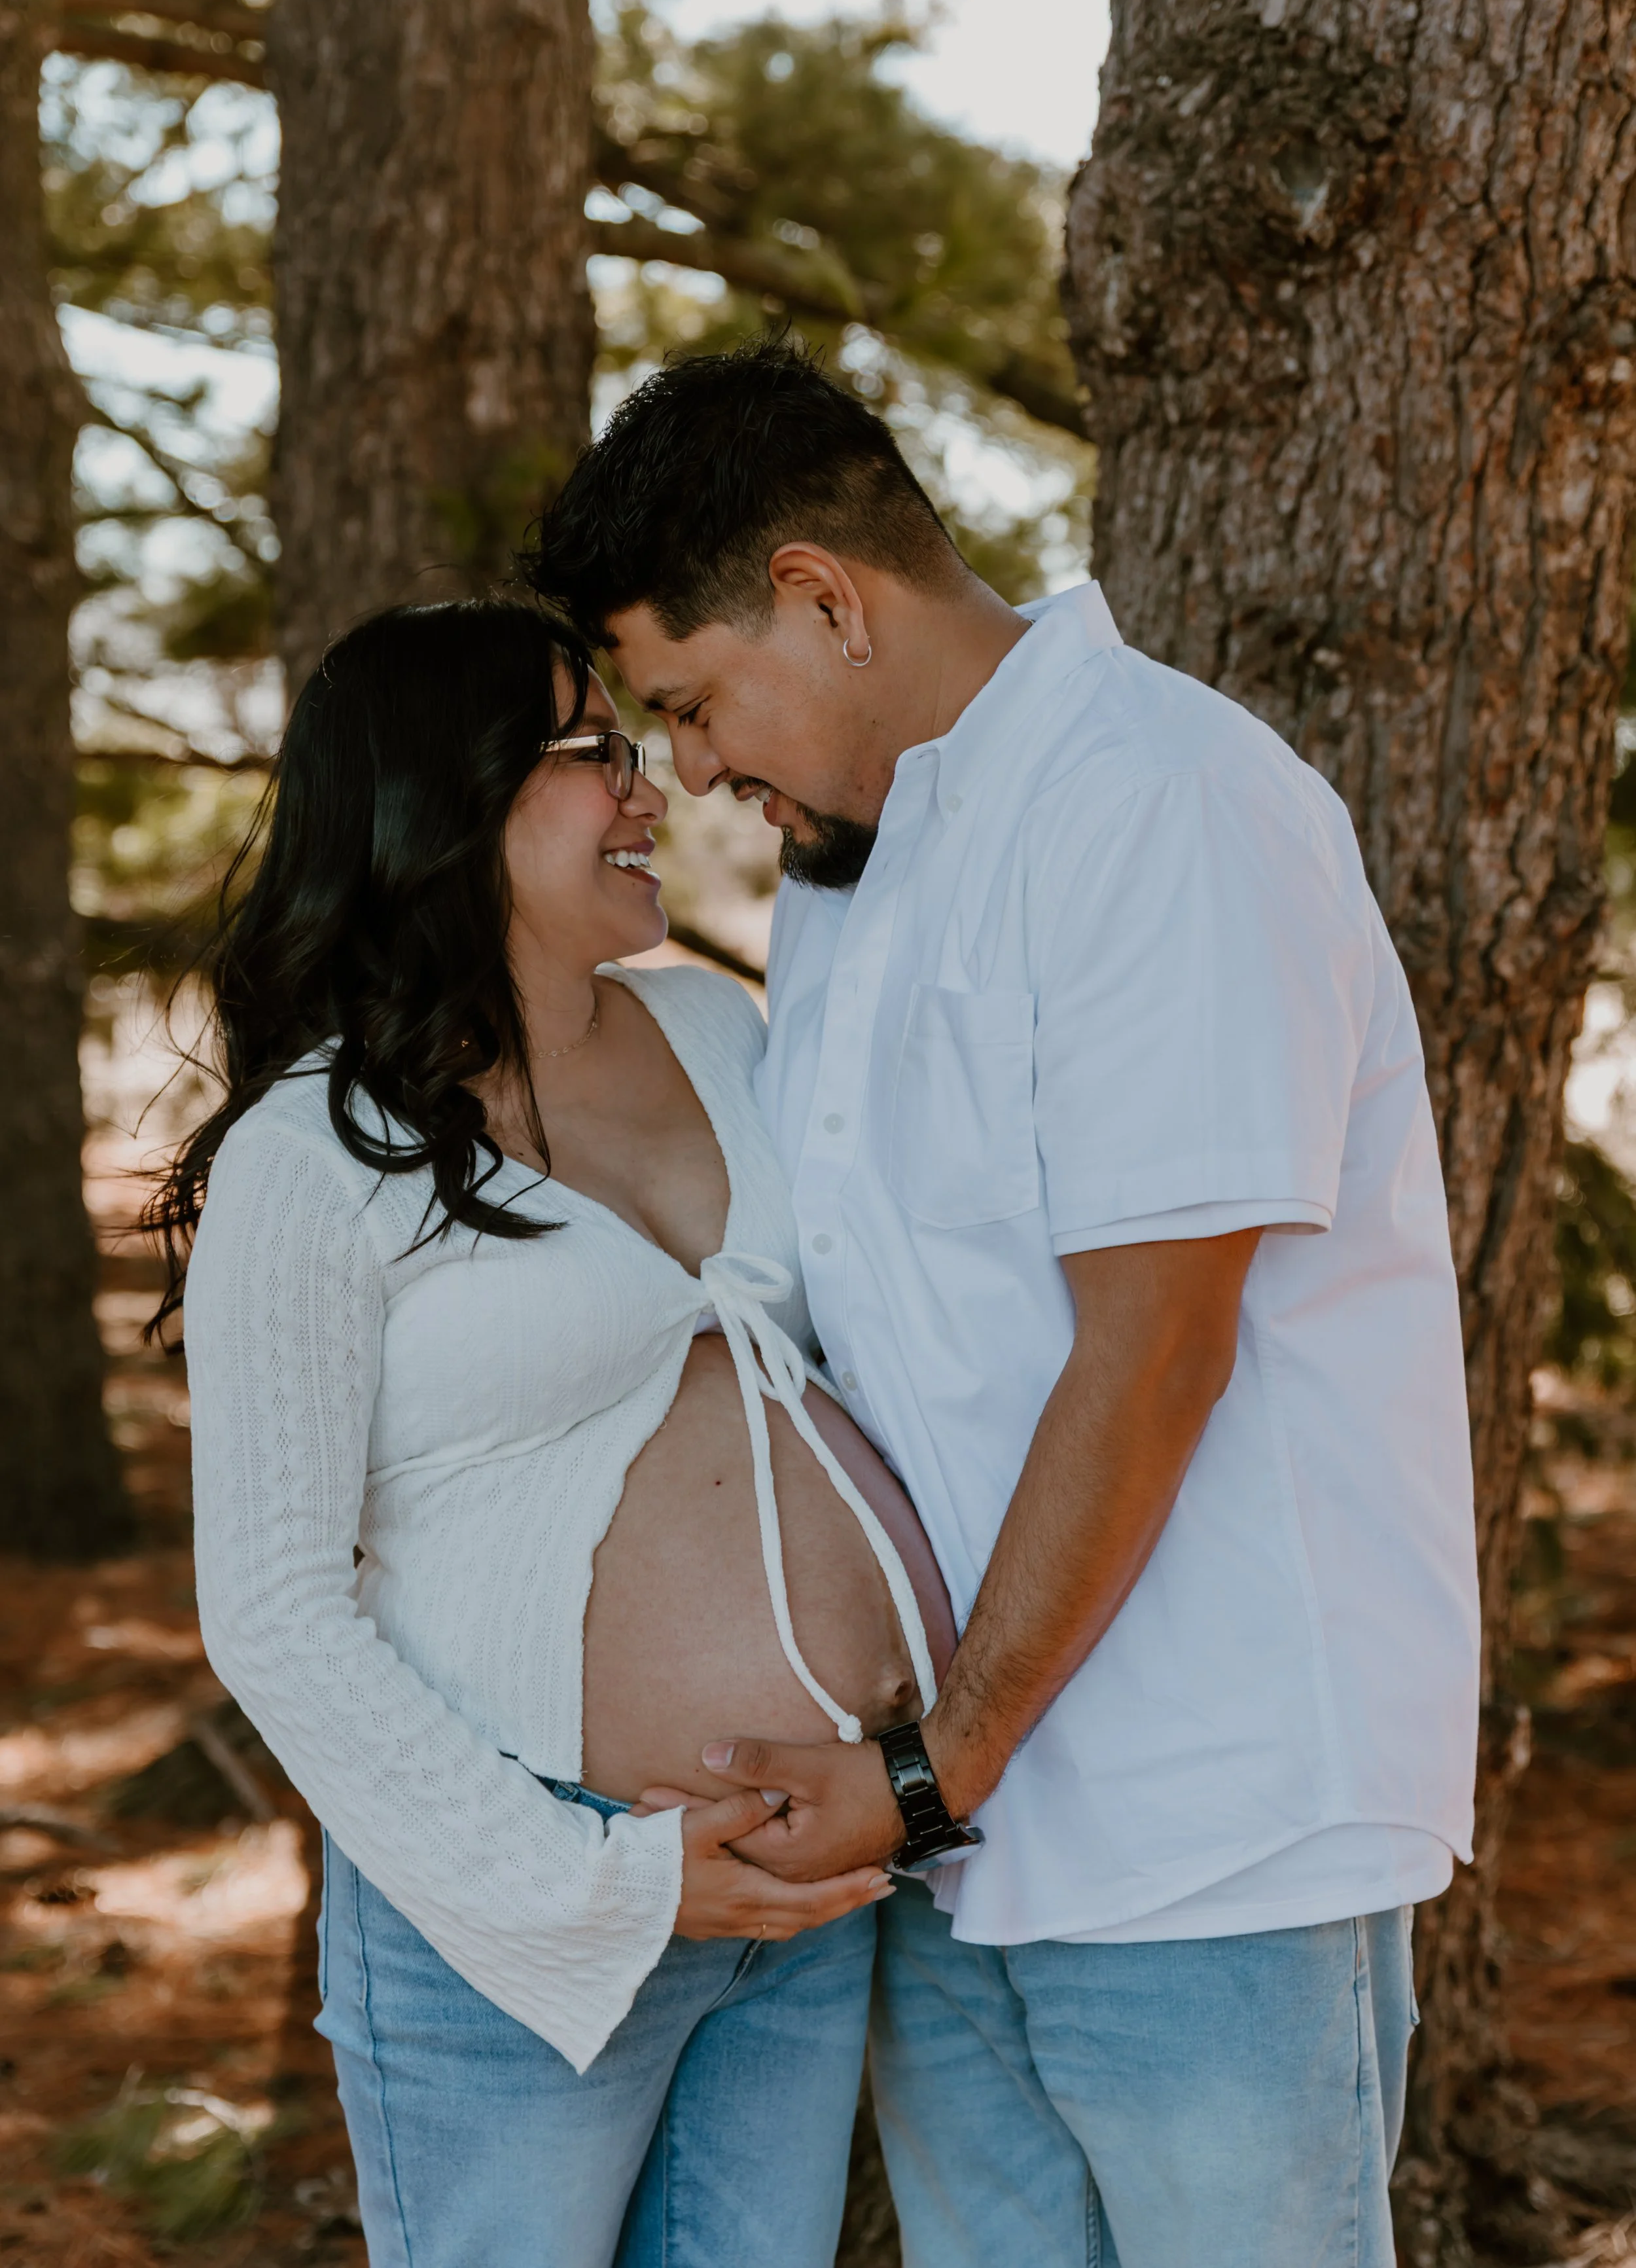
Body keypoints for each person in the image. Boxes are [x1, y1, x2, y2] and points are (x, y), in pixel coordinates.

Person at [525, 339, 1484, 2268]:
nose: (691, 765)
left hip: (1208, 1829)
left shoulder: (1156, 804)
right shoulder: (852, 875)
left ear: (822, 594)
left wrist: (919, 1765)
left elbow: (1154, 1351)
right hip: (965, 1856)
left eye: (694, 700)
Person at [151, 597, 956, 2268]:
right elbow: (274, 1610)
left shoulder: (720, 1033)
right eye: (594, 752)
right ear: (446, 805)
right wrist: (595, 1888)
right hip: (512, 1920)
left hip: (804, 1890)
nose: (651, 785)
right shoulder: (317, 1158)